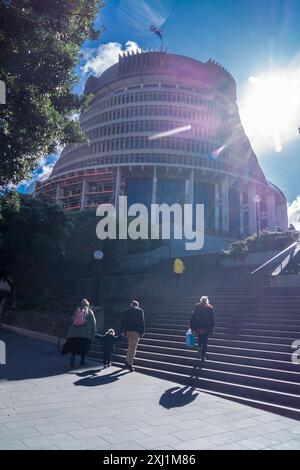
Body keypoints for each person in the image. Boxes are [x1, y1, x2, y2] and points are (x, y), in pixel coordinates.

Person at [61, 299, 96, 368]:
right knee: (84, 347)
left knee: (74, 347)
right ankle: (82, 361)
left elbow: (73, 320)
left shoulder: (77, 310)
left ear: (81, 304)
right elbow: (93, 323)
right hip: (85, 334)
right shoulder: (89, 311)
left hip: (73, 333)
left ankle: (72, 360)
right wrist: (94, 332)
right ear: (87, 305)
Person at [121, 300, 145, 372]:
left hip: (128, 330)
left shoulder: (127, 310)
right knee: (133, 347)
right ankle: (130, 364)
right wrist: (142, 332)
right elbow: (142, 322)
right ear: (137, 305)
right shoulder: (140, 311)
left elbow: (123, 321)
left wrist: (122, 330)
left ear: (131, 305)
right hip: (136, 331)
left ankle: (127, 360)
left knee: (130, 346)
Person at [190, 296, 215, 361]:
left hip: (199, 328)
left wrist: (192, 328)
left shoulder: (197, 307)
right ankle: (203, 355)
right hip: (205, 329)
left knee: (200, 339)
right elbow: (212, 320)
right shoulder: (209, 308)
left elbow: (193, 318)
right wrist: (211, 330)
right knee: (204, 342)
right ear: (207, 301)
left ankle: (199, 348)